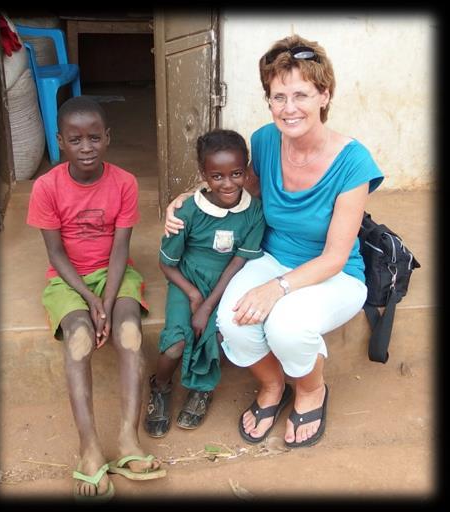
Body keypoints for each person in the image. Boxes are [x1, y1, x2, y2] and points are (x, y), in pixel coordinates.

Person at [164, 35, 384, 448]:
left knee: (286, 325)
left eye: (301, 94)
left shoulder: (354, 162)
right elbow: (242, 189)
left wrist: (277, 288)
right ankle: (271, 385)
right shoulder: (266, 140)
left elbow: (336, 256)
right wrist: (187, 200)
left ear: (325, 94)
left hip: (333, 274)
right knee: (231, 318)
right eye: (278, 96)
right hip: (271, 257)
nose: (288, 108)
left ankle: (310, 390)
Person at [26, 96, 166, 500]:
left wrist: (106, 298)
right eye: (75, 139)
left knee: (130, 335)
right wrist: (90, 299)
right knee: (80, 339)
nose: (86, 147)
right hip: (68, 278)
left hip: (115, 273)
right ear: (60, 142)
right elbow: (55, 254)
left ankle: (127, 441)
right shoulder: (46, 187)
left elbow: (121, 249)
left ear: (108, 138)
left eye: (94, 138)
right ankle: (89, 451)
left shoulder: (124, 182)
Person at [144, 129, 266, 438]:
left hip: (227, 283)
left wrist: (208, 303)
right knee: (176, 344)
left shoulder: (253, 212)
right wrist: (193, 294)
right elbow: (166, 263)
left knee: (215, 334)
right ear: (204, 174)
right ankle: (160, 387)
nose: (228, 183)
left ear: (247, 168)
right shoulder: (187, 212)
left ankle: (201, 389)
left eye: (236, 173)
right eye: (217, 176)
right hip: (186, 281)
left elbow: (239, 261)